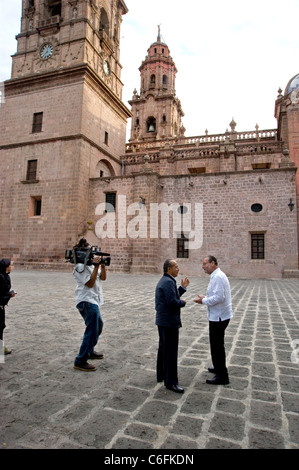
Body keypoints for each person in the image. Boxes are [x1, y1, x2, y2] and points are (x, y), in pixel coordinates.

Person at [194, 255, 233, 385]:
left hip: (219, 317)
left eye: (205, 263)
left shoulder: (218, 277)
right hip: (219, 315)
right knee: (216, 345)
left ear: (213, 263)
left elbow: (219, 297)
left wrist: (203, 300)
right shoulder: (216, 276)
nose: (203, 266)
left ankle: (222, 376)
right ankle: (218, 368)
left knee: (217, 346)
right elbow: (216, 295)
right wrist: (206, 296)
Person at [155, 259, 189, 393]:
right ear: (169, 269)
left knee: (164, 349)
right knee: (171, 352)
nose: (178, 269)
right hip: (169, 321)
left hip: (163, 320)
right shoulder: (168, 281)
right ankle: (171, 382)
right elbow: (172, 302)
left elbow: (170, 296)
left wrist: (182, 289)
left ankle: (162, 374)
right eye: (176, 267)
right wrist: (183, 302)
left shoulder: (166, 280)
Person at [73, 238, 107, 371]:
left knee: (98, 327)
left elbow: (102, 278)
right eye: (88, 250)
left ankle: (89, 350)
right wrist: (97, 266)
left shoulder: (92, 265)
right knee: (92, 329)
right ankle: (80, 360)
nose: (91, 253)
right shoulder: (80, 267)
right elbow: (89, 283)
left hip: (94, 300)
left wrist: (102, 266)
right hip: (86, 301)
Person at [0, 259, 17, 355]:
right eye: (10, 265)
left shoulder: (6, 276)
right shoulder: (0, 277)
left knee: (1, 326)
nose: (12, 266)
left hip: (2, 305)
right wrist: (9, 295)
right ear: (6, 267)